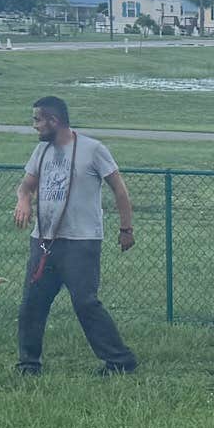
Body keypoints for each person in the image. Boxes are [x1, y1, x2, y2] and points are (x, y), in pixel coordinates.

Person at [13, 95, 139, 375]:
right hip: (44, 242)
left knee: (85, 303)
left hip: (81, 243)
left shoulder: (93, 150)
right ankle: (28, 365)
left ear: (53, 120)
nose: (34, 126)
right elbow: (26, 186)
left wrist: (126, 228)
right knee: (31, 305)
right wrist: (23, 199)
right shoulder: (41, 152)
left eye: (37, 119)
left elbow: (119, 189)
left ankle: (120, 361)